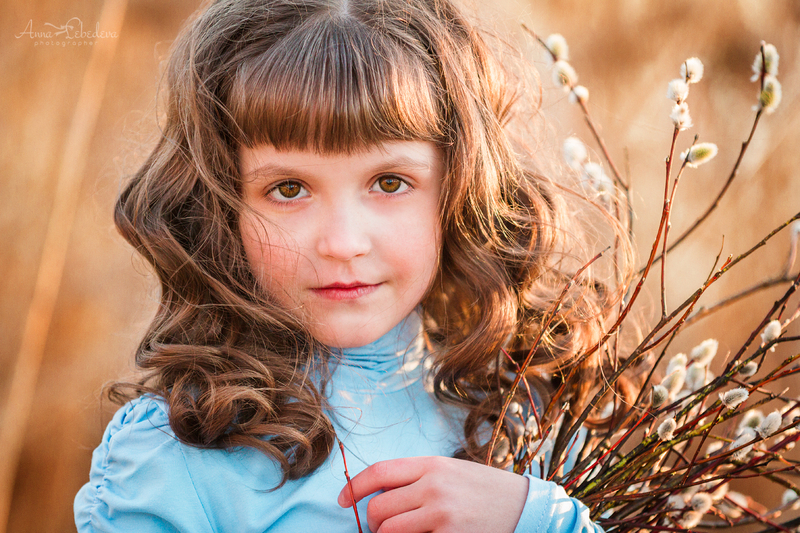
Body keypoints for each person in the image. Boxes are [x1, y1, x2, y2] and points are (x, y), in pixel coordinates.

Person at [75, 0, 633, 531]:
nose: (342, 243)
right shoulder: (173, 457)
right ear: (222, 205)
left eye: (390, 182)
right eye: (288, 188)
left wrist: (539, 522)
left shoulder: (528, 400)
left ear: (460, 188)